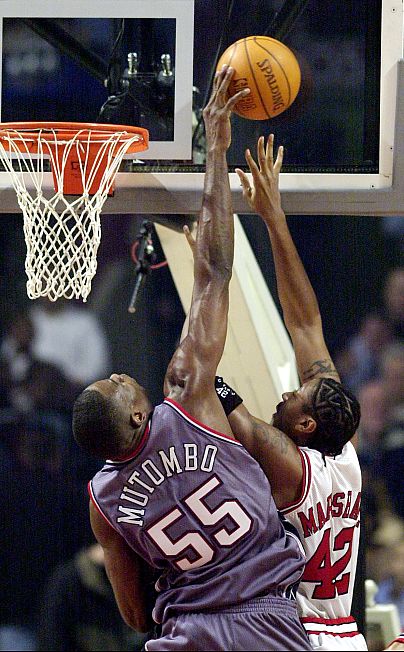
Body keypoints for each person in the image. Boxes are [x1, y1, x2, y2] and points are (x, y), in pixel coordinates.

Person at [72, 67, 311, 652]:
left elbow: (133, 615)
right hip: (264, 620)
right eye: (116, 384)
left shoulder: (103, 502)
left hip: (187, 635)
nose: (121, 373)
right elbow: (214, 273)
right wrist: (218, 147)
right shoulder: (187, 393)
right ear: (135, 418)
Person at [185, 135, 367, 651]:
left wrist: (207, 283)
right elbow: (306, 324)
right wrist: (273, 217)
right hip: (342, 634)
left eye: (296, 397)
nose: (288, 392)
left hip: (297, 637)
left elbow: (211, 388)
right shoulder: (345, 456)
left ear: (306, 426)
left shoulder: (290, 464)